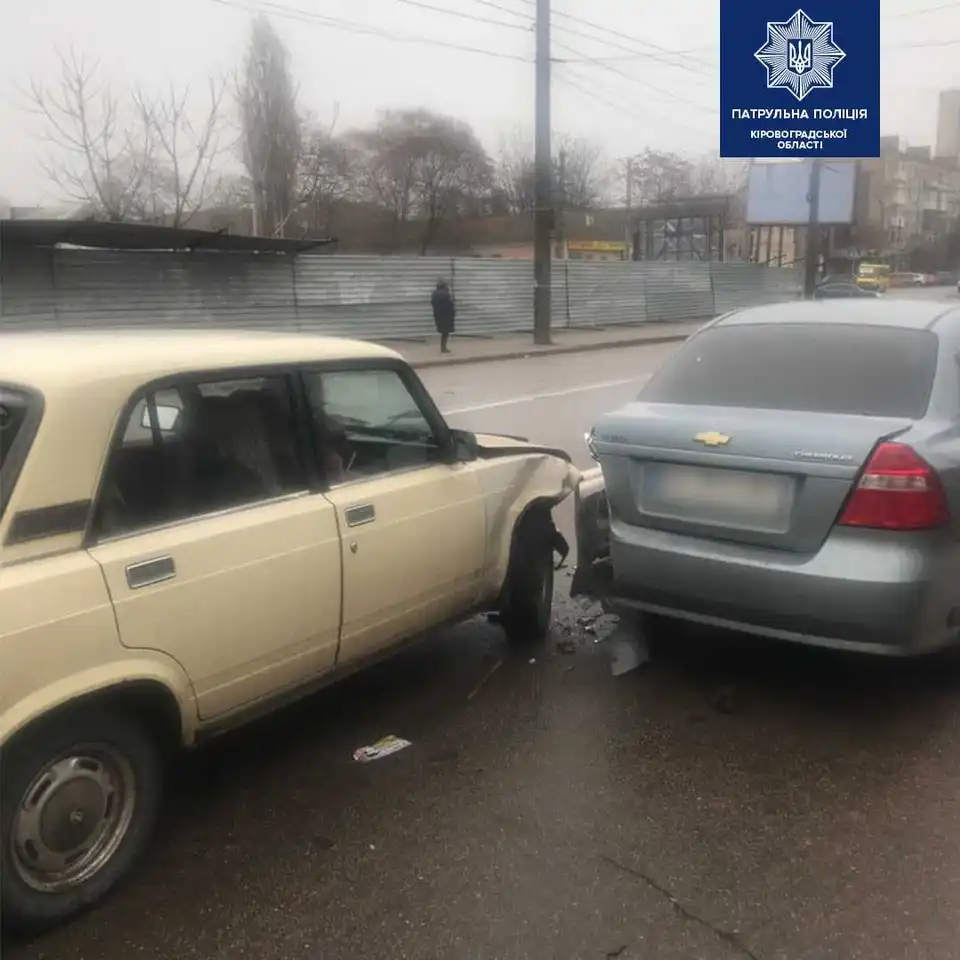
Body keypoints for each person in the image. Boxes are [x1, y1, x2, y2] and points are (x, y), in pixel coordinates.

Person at [431, 279, 456, 354]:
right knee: (445, 332)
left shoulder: (434, 294)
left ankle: (443, 347)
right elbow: (449, 304)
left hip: (438, 315)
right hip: (446, 315)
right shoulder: (446, 294)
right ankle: (443, 347)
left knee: (443, 331)